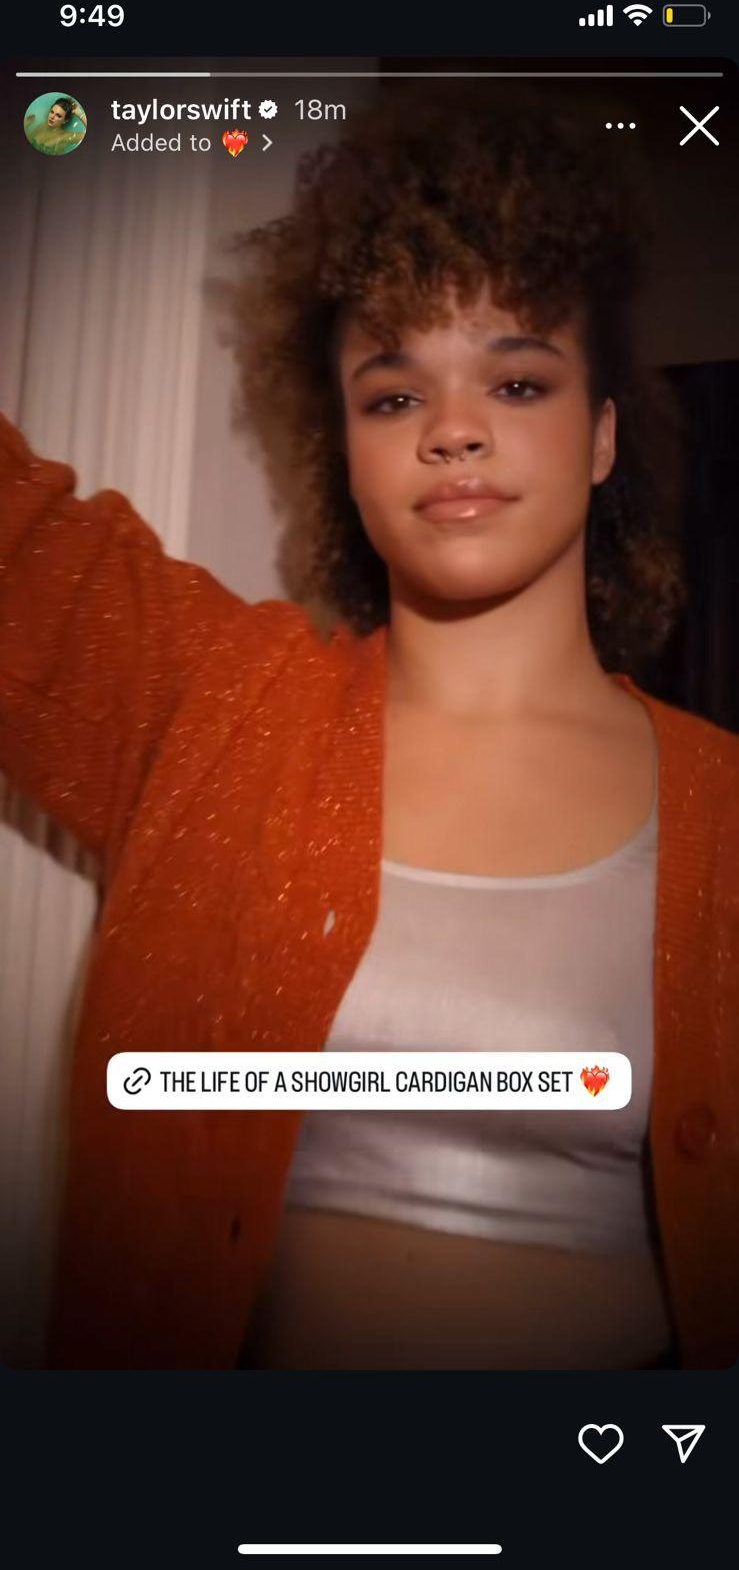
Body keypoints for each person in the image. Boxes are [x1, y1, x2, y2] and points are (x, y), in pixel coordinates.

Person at [1, 80, 737, 1371]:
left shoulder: (726, 813)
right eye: (394, 397)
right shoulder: (218, 702)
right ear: (343, 447)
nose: (454, 430)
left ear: (603, 434)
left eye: (518, 381)